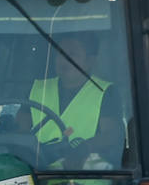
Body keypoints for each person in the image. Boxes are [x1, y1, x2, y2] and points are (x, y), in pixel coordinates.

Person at [27, 33, 125, 168]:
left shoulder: (106, 92)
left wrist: (84, 148)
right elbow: (21, 129)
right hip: (38, 176)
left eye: (72, 54)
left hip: (85, 180)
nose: (63, 59)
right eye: (60, 53)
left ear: (90, 61)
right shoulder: (37, 89)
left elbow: (112, 135)